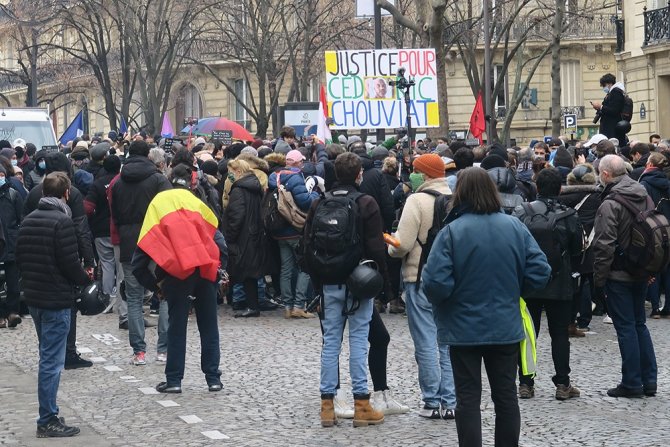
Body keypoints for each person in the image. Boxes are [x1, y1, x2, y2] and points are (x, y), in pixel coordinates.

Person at [422, 167, 551, 447]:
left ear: (461, 194)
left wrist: (451, 298)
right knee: (505, 395)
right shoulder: (515, 226)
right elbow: (540, 271)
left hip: (461, 328)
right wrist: (514, 291)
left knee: (467, 397)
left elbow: (434, 284)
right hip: (504, 325)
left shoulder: (451, 232)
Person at [307, 152, 388, 428]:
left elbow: (307, 247)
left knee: (330, 342)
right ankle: (362, 405)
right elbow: (377, 247)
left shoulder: (319, 203)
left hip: (329, 282)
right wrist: (383, 285)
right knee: (358, 341)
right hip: (359, 282)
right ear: (359, 175)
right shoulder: (366, 203)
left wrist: (317, 285)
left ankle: (327, 406)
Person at [132, 164, 227, 393]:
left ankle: (174, 381)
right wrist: (219, 271)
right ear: (192, 182)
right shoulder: (198, 204)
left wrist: (156, 287)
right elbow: (219, 241)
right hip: (204, 269)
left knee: (177, 326)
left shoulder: (158, 204)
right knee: (208, 324)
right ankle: (213, 378)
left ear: (169, 179)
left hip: (175, 273)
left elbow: (139, 260)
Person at [16, 172, 90, 438]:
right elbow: (70, 263)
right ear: (66, 194)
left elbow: (21, 256)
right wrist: (84, 280)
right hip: (56, 299)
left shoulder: (29, 220)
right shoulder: (62, 221)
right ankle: (47, 418)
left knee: (46, 356)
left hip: (35, 298)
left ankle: (50, 412)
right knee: (51, 361)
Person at [388, 153, 456, 420]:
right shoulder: (454, 198)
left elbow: (402, 244)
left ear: (424, 174)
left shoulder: (416, 201)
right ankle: (450, 402)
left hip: (419, 278)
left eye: (414, 171)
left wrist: (391, 244)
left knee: (426, 341)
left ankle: (431, 401)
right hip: (450, 280)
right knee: (446, 342)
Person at [513, 168, 583, 401]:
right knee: (560, 334)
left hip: (529, 282)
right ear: (560, 189)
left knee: (527, 334)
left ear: (537, 187)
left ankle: (525, 382)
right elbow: (576, 251)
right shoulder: (569, 214)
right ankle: (563, 383)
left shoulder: (522, 212)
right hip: (560, 281)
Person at [592, 154, 658, 398]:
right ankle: (649, 380)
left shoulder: (610, 203)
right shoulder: (643, 193)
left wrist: (599, 281)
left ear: (606, 174)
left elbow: (603, 245)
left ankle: (631, 383)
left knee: (627, 328)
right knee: (639, 325)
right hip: (641, 271)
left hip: (618, 274)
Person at [111, 140, 172, 366]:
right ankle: (163, 349)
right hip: (157, 242)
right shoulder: (159, 180)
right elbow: (169, 212)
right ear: (148, 155)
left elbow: (115, 214)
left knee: (134, 298)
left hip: (129, 243)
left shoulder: (118, 183)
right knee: (164, 294)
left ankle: (139, 351)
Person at [267, 149, 320, 319]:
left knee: (286, 269)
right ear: (296, 163)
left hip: (279, 229)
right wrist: (315, 194)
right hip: (295, 228)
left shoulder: (274, 177)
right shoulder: (295, 177)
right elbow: (304, 202)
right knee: (305, 267)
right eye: (301, 162)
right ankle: (299, 305)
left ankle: (288, 307)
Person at [223, 159, 266, 317]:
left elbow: (236, 216)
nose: (229, 176)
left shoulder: (239, 190)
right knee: (250, 273)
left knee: (245, 271)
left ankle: (251, 306)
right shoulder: (254, 186)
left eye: (231, 173)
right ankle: (252, 305)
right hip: (254, 233)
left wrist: (230, 236)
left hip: (243, 236)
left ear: (239, 172)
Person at [638, 152, 670, 318]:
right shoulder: (667, 182)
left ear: (650, 164)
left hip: (652, 227)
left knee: (653, 266)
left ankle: (655, 307)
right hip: (669, 227)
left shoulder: (644, 183)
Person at [0, 163, 23, 328]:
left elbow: (21, 219)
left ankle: (13, 313)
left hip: (11, 244)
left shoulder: (13, 194)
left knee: (13, 284)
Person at [591, 73, 627, 145]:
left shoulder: (616, 92)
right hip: (610, 128)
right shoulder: (612, 93)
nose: (603, 88)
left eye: (604, 85)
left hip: (612, 129)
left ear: (609, 83)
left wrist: (600, 107)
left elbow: (614, 110)